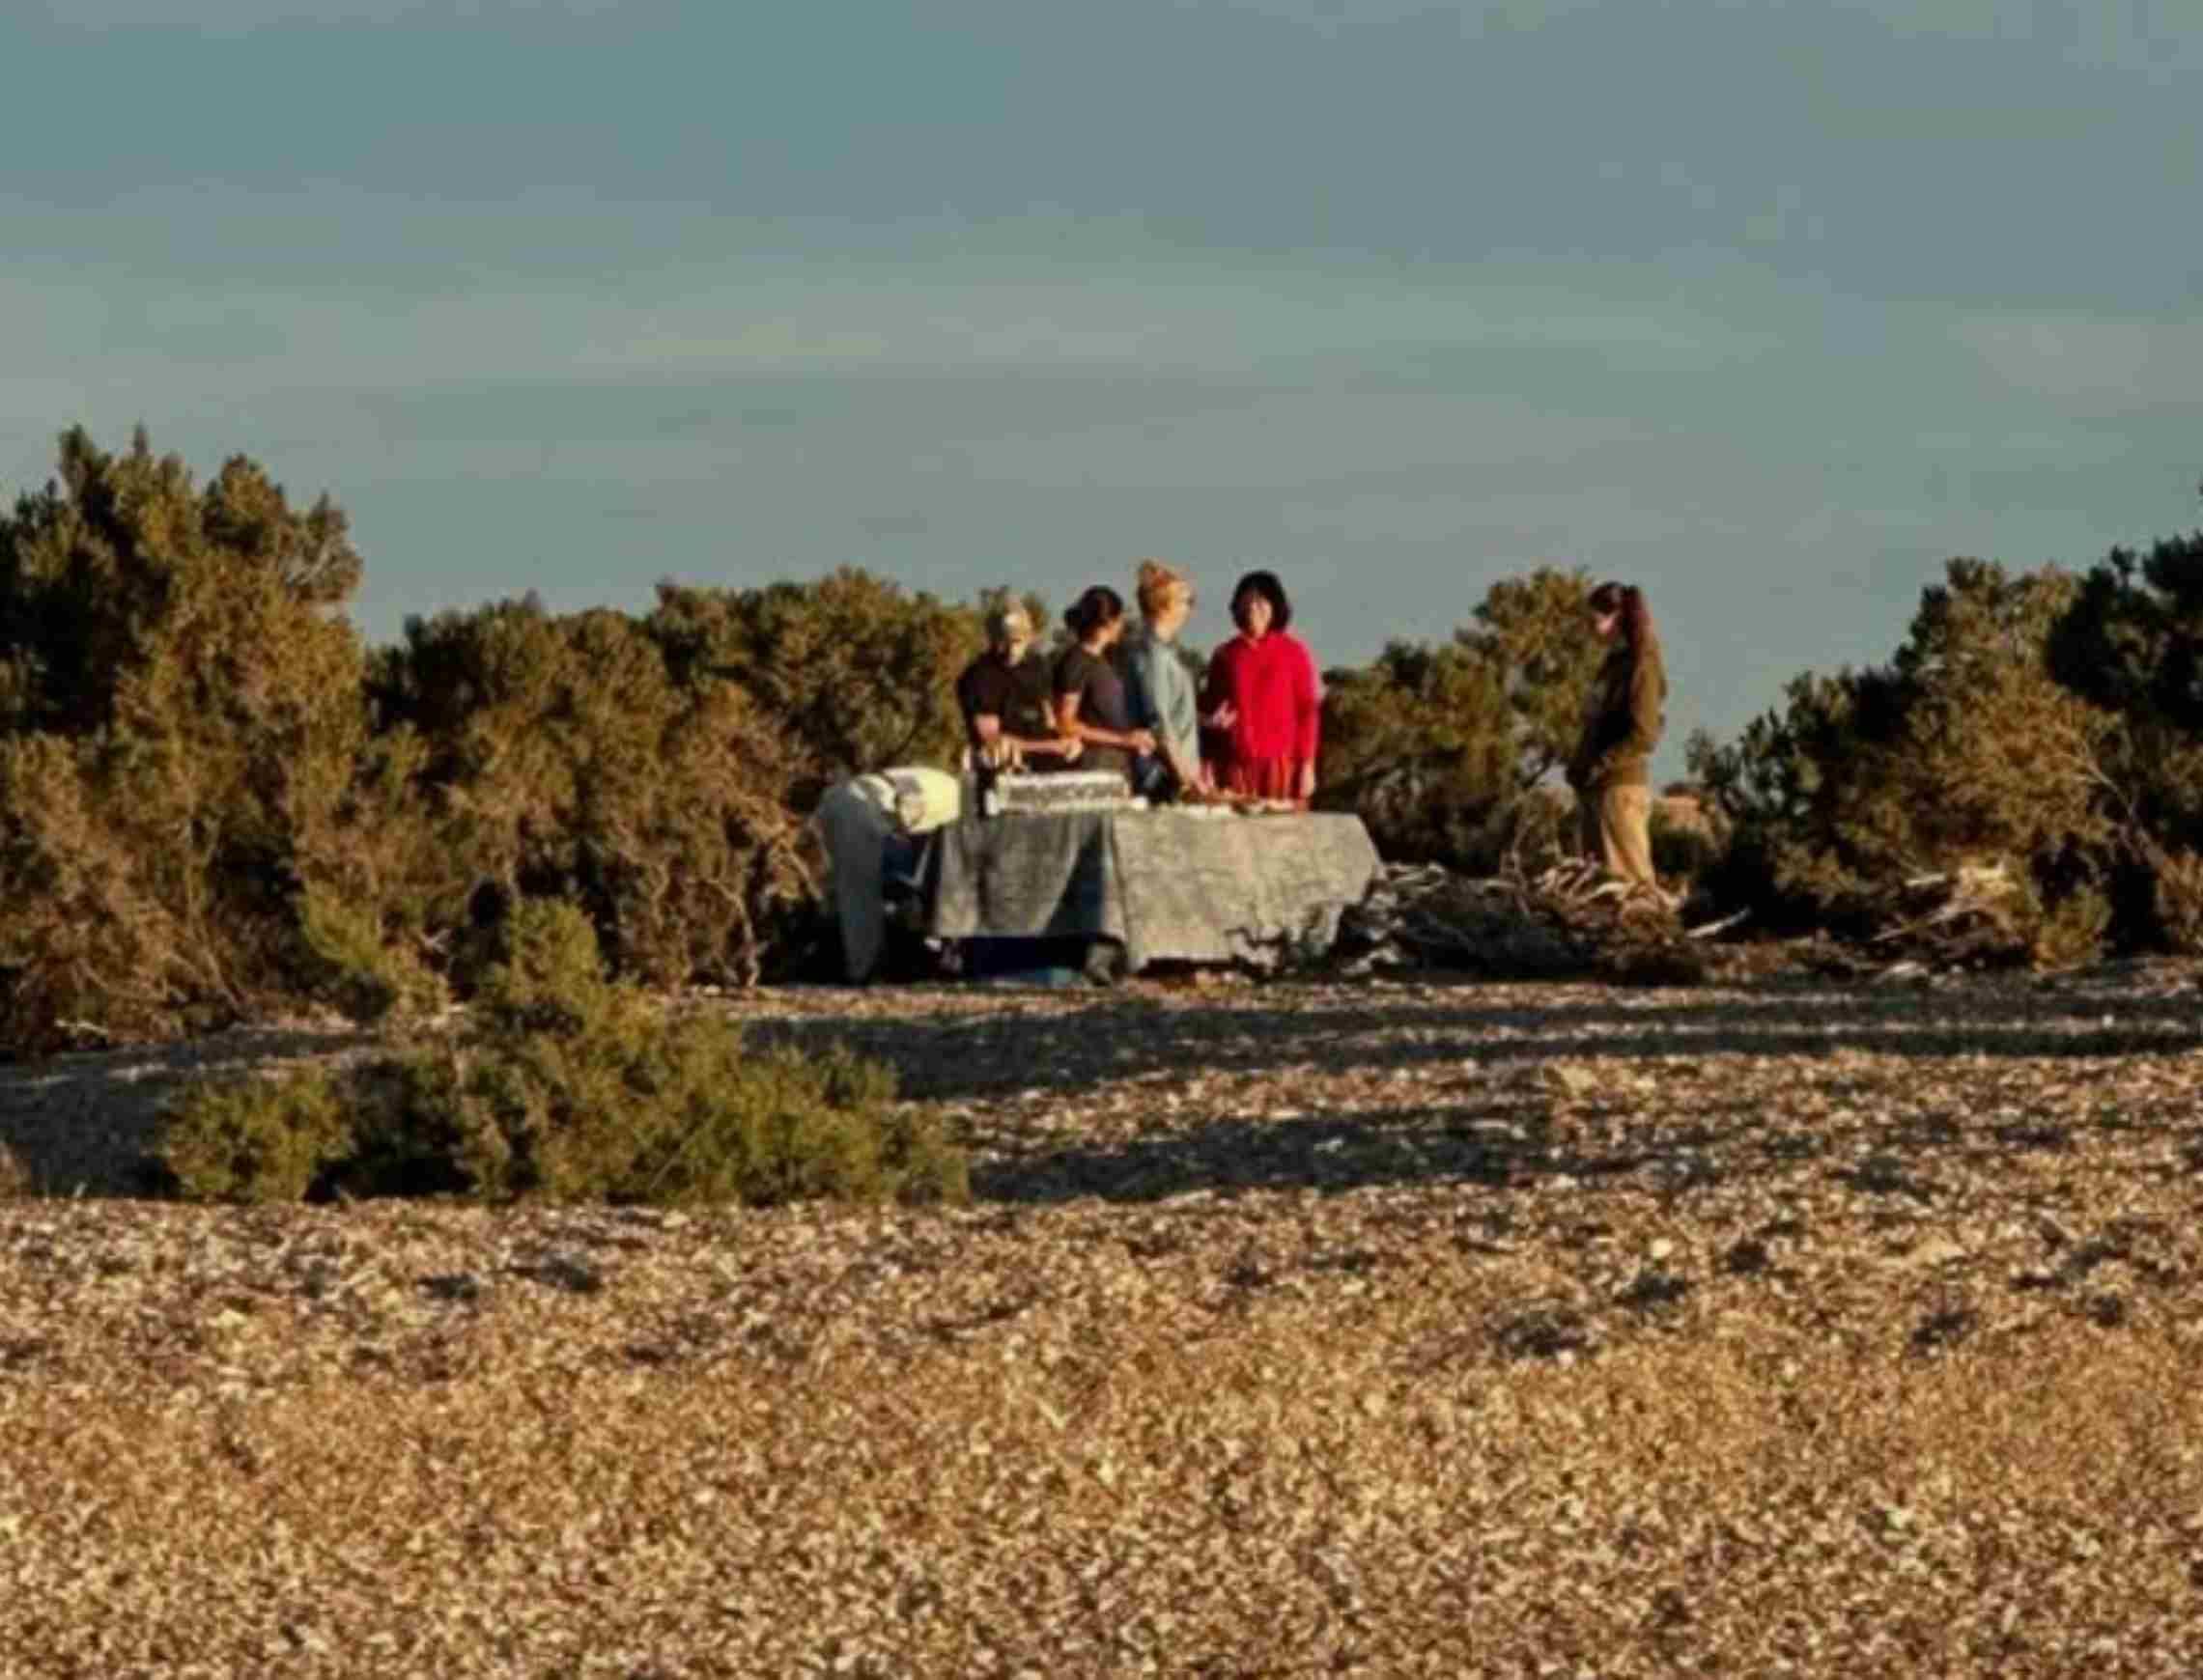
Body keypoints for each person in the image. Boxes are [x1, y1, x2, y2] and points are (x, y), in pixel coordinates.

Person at [1566, 579, 1668, 898]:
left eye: (1596, 620)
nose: (1591, 629)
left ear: (1619, 618)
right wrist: (1579, 767)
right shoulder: (1613, 665)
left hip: (1620, 792)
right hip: (1596, 791)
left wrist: (1600, 764)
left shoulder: (1642, 664)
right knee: (1599, 891)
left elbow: (1644, 734)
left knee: (1632, 890)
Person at [1202, 569, 1320, 806]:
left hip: (1283, 764)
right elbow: (1212, 710)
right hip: (1235, 763)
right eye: (1247, 600)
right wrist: (1208, 762)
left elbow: (1307, 712)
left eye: (1261, 600)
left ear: (1275, 606)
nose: (1253, 607)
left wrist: (1307, 766)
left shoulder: (1294, 652)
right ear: (1237, 606)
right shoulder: (1225, 654)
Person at [1123, 559, 1212, 802]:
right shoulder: (1153, 656)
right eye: (1186, 601)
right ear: (1165, 605)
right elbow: (1159, 722)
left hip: (1175, 773)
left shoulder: (1165, 653)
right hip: (1164, 779)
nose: (1189, 609)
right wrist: (1185, 776)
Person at [955, 602, 1081, 771]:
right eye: (1003, 642)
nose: (1011, 650)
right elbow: (992, 740)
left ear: (1029, 638)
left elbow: (1049, 719)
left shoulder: (1037, 666)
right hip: (1003, 770)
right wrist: (1052, 747)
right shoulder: (980, 676)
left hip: (1045, 769)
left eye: (1017, 641)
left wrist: (1069, 741)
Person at [1053, 585, 1154, 787]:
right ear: (1109, 622)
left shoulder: (1106, 660)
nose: (1122, 625)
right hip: (1093, 768)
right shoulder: (1076, 662)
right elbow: (1065, 723)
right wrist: (1123, 739)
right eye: (1120, 619)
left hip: (1118, 767)